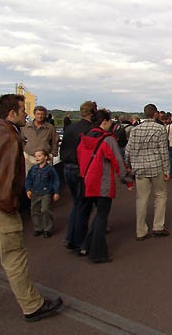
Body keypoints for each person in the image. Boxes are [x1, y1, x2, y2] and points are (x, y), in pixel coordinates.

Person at [0, 94, 63, 321]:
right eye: (23, 109)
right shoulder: (8, 137)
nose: (27, 113)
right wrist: (10, 206)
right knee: (14, 258)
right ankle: (32, 306)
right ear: (11, 113)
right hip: (1, 209)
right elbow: (3, 178)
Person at [77, 109, 133, 263]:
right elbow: (117, 161)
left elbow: (80, 157)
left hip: (87, 180)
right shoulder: (107, 139)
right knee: (102, 216)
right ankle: (98, 252)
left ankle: (85, 245)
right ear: (105, 122)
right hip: (102, 182)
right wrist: (127, 180)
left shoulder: (85, 137)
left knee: (96, 215)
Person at [125, 104, 170, 241]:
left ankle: (141, 231)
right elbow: (163, 151)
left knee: (142, 199)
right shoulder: (160, 128)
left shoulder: (135, 129)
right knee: (161, 195)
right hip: (156, 166)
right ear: (155, 114)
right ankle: (158, 226)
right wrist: (167, 170)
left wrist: (127, 163)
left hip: (140, 168)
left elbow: (128, 149)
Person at [60, 101, 96, 252]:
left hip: (67, 167)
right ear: (93, 113)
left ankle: (70, 238)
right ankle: (80, 242)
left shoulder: (70, 128)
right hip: (81, 169)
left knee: (76, 204)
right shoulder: (90, 130)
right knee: (84, 206)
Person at [25, 150, 60, 238]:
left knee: (45, 209)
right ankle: (38, 228)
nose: (37, 158)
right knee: (34, 211)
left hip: (46, 192)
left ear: (45, 157)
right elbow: (29, 179)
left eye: (39, 156)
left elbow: (55, 180)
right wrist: (28, 189)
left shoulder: (50, 169)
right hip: (35, 192)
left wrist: (56, 192)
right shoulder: (33, 168)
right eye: (36, 156)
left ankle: (47, 229)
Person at [21, 105, 59, 173]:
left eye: (42, 114)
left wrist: (52, 154)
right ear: (34, 114)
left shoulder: (50, 128)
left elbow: (55, 141)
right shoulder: (26, 126)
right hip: (29, 158)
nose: (40, 116)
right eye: (38, 114)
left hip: (45, 158)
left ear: (45, 115)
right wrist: (24, 152)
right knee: (29, 179)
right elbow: (21, 140)